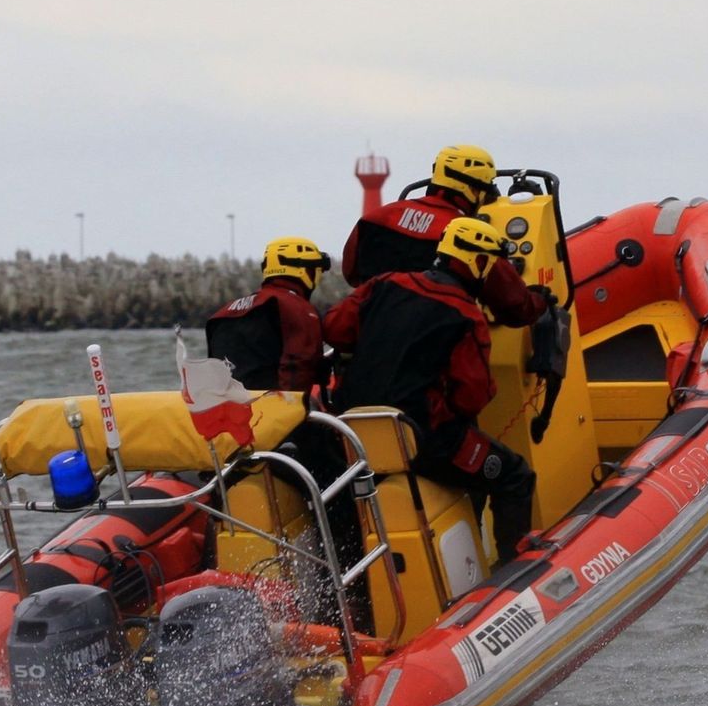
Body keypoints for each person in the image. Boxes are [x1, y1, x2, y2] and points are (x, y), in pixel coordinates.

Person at [323, 217, 537, 565]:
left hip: (353, 433)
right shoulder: (466, 315)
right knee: (514, 476)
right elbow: (473, 395)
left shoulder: (384, 284)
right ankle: (513, 571)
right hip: (423, 441)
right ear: (478, 262)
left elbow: (335, 327)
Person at [340, 143, 551, 328]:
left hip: (369, 341)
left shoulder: (376, 218)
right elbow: (515, 308)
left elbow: (351, 273)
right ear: (472, 191)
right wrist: (540, 300)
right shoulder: (468, 236)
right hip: (429, 355)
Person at [205, 236, 331, 393]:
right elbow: (299, 368)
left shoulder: (224, 312)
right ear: (303, 269)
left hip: (227, 409)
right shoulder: (298, 308)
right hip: (272, 410)